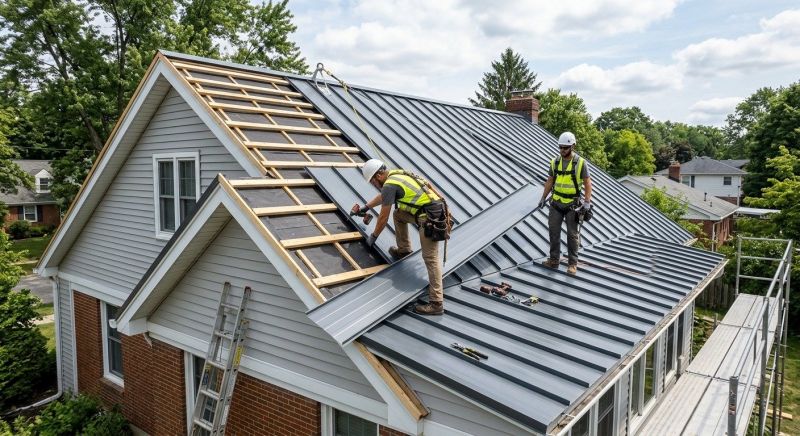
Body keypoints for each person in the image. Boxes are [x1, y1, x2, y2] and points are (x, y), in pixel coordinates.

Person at [351, 159, 446, 315]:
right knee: (399, 214)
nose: (374, 184)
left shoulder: (389, 184)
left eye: (374, 181)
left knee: (430, 258)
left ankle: (436, 303)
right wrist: (365, 207)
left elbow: (383, 217)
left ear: (379, 174)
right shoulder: (394, 175)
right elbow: (384, 196)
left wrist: (373, 236)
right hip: (430, 211)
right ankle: (404, 249)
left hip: (431, 218)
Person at [537, 132, 593, 275]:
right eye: (560, 147)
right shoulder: (554, 162)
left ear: (573, 146)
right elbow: (550, 181)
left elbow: (587, 183)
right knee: (553, 232)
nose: (562, 150)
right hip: (556, 202)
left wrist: (587, 202)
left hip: (572, 205)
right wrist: (543, 197)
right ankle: (554, 260)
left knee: (572, 235)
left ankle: (572, 264)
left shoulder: (580, 163)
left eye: (565, 148)